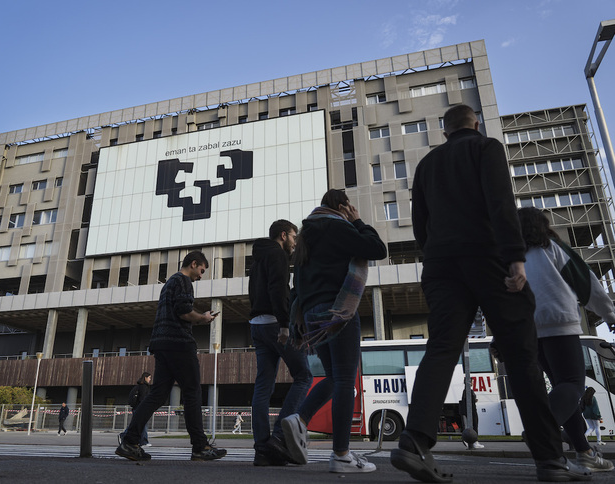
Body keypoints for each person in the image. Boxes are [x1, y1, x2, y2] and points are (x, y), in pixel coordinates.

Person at [390, 104, 591, 483]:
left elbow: (421, 223)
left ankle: (414, 441)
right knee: (520, 355)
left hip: (441, 265)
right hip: (488, 259)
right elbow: (500, 202)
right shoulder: (487, 148)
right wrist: (515, 259)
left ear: (444, 130)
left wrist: (435, 254)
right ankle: (549, 459)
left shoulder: (427, 164)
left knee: (442, 348)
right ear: (476, 125)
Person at [282, 189, 387, 474]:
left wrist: (300, 316)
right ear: (343, 206)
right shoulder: (337, 226)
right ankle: (341, 454)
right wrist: (359, 221)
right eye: (349, 207)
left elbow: (299, 281)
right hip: (338, 310)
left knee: (332, 377)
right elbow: (378, 249)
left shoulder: (306, 234)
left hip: (312, 313)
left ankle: (300, 419)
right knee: (344, 381)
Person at [517, 207, 613, 471]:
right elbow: (586, 282)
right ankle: (541, 429)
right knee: (572, 384)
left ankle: (584, 452)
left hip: (530, 330)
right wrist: (610, 314)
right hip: (559, 321)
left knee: (563, 389)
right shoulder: (554, 249)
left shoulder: (513, 258)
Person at [115, 251, 226, 462]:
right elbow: (184, 312)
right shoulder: (184, 281)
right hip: (179, 343)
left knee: (157, 395)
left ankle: (129, 441)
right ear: (194, 264)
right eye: (201, 271)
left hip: (161, 343)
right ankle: (199, 447)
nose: (201, 276)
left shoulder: (169, 283)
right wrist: (203, 318)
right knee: (192, 392)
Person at [248, 219, 312, 466]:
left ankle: (262, 449)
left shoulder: (259, 257)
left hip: (257, 325)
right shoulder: (278, 255)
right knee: (304, 375)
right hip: (276, 324)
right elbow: (279, 289)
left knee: (263, 385)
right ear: (283, 235)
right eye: (294, 237)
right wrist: (285, 324)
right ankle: (278, 437)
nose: (295, 243)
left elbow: (255, 292)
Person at [119, 372, 152, 446]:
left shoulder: (140, 386)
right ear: (145, 377)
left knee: (136, 424)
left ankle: (124, 435)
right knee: (142, 424)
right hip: (140, 409)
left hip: (137, 408)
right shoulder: (144, 387)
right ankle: (143, 441)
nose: (150, 379)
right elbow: (143, 399)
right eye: (149, 377)